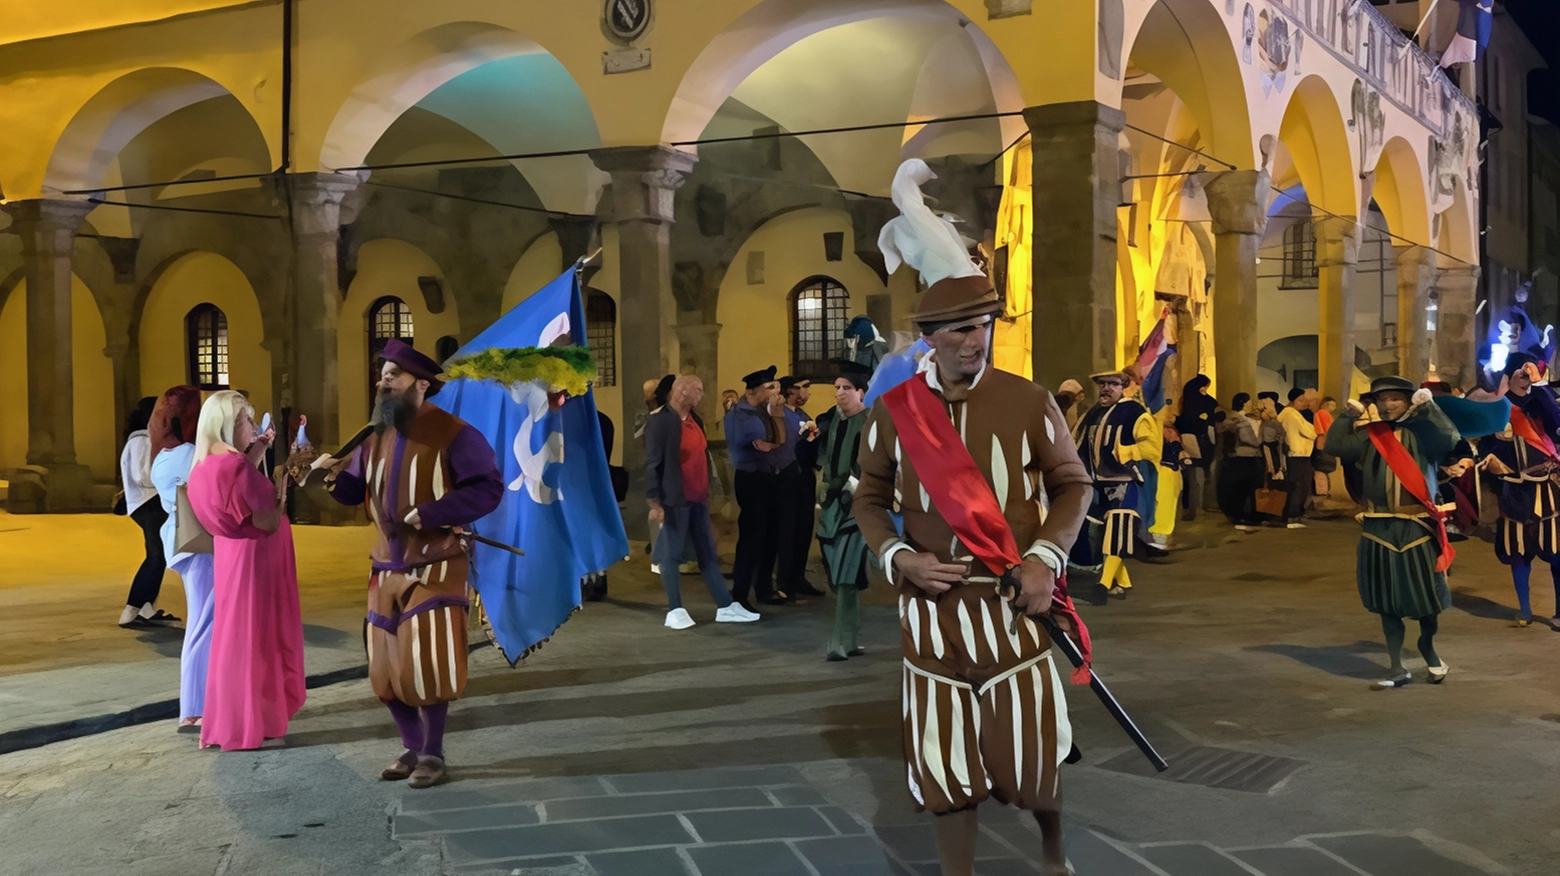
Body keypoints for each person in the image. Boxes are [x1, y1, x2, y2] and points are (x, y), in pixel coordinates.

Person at [854, 158, 1095, 876]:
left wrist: (1044, 560)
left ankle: (1052, 853)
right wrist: (900, 559)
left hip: (1013, 603)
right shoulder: (894, 416)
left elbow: (1073, 486)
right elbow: (867, 500)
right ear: (930, 337)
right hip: (929, 615)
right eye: (958, 329)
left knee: (1030, 756)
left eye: (982, 325)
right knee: (943, 763)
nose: (973, 339)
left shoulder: (1029, 400)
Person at [314, 339, 503, 788]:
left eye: (392, 375)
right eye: (382, 374)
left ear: (420, 384)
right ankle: (412, 745)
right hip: (385, 568)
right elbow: (351, 490)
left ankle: (433, 753)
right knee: (384, 670)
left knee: (427, 663)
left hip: (435, 565)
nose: (383, 381)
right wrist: (331, 476)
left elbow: (488, 489)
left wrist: (435, 512)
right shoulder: (374, 435)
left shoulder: (457, 433)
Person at [187, 390, 305, 750]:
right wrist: (288, 477)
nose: (254, 427)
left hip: (232, 556)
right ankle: (251, 723)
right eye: (247, 421)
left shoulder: (206, 463)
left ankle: (237, 720)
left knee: (235, 637)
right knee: (258, 638)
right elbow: (266, 515)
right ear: (228, 424)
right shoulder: (234, 467)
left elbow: (235, 502)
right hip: (257, 559)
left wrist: (256, 453)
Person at [1324, 376, 1457, 689]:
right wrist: (1347, 416)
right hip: (1379, 527)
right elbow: (1334, 446)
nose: (1386, 405)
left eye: (1394, 398)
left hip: (1418, 526)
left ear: (1408, 400)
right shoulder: (1370, 436)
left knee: (1428, 601)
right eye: (1380, 400)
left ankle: (1428, 647)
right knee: (1387, 600)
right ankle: (1396, 666)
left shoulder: (1424, 433)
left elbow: (1450, 439)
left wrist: (1430, 408)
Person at [645, 375, 761, 629]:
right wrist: (655, 501)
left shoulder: (695, 419)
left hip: (698, 497)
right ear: (683, 392)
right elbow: (653, 462)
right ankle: (675, 608)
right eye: (698, 390)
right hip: (675, 497)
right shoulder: (660, 421)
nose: (702, 395)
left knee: (707, 552)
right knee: (671, 554)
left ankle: (725, 605)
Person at [148, 386, 215, 733]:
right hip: (200, 544)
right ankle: (194, 707)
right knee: (205, 623)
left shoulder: (162, 454)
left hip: (181, 542)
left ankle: (198, 704)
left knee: (202, 622)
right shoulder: (191, 453)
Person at [1479, 353, 1560, 627]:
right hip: (1513, 489)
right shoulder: (1498, 406)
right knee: (1519, 551)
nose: (1527, 378)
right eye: (1523, 373)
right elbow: (1484, 447)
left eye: (1532, 373)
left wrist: (1540, 386)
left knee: (1557, 553)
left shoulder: (1540, 403)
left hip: (1546, 490)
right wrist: (1491, 458)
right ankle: (1524, 609)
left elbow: (1557, 422)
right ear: (1509, 375)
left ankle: (1559, 612)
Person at [1071, 370, 1162, 598]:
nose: (1106, 388)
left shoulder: (1135, 413)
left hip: (1126, 481)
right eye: (1102, 384)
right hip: (1097, 483)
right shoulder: (1091, 414)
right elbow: (1075, 443)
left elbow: (1153, 448)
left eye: (1113, 384)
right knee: (1102, 534)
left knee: (1117, 530)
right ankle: (1122, 582)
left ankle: (1102, 585)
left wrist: (1126, 452)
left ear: (1123, 387)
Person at [816, 361, 873, 661]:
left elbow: (874, 463)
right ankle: (849, 639)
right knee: (839, 578)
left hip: (858, 508)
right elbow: (822, 459)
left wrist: (852, 484)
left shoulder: (870, 421)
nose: (839, 393)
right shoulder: (833, 421)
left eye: (847, 388)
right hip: (831, 508)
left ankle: (838, 642)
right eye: (837, 388)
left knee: (846, 575)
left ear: (861, 392)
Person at [725, 365, 790, 608]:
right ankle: (740, 595)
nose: (775, 391)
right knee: (752, 537)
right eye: (769, 387)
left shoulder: (762, 411)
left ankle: (764, 588)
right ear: (752, 391)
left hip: (768, 477)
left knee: (771, 534)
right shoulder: (742, 414)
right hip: (751, 479)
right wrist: (777, 416)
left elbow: (781, 441)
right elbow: (770, 443)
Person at [118, 397, 179, 629]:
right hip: (149, 503)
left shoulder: (141, 439)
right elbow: (144, 476)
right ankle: (131, 609)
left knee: (158, 556)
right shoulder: (141, 440)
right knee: (156, 556)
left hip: (148, 503)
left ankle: (145, 609)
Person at [778, 376, 825, 599]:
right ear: (789, 391)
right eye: (801, 388)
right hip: (787, 478)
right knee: (788, 530)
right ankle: (784, 581)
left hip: (805, 476)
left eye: (807, 387)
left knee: (804, 529)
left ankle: (798, 577)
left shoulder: (803, 416)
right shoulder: (781, 415)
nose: (805, 392)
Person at [1216, 393, 1264, 530]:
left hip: (1230, 458)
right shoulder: (1241, 420)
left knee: (1234, 489)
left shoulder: (1228, 418)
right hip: (1247, 457)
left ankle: (1236, 514)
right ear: (1244, 403)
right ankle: (1246, 515)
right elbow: (1250, 439)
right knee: (1248, 488)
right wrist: (1261, 442)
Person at [1175, 374, 1217, 521]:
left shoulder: (1185, 403)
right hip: (1200, 441)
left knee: (1190, 477)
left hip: (1185, 442)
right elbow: (1214, 408)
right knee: (1198, 477)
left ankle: (1190, 507)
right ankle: (1197, 507)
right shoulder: (1204, 403)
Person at [1278, 387, 1317, 529]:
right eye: (1301, 400)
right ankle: (1292, 515)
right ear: (1292, 401)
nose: (1303, 404)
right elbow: (1311, 432)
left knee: (1298, 486)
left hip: (1296, 454)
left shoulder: (1289, 414)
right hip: (1297, 454)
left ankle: (1292, 515)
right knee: (1300, 487)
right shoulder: (1292, 415)